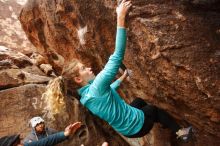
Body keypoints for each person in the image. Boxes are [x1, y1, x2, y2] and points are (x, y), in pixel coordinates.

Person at [42, 0, 192, 142]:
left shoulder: (85, 97)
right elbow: (118, 55)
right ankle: (181, 133)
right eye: (83, 69)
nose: (88, 68)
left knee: (138, 102)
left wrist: (122, 78)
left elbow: (108, 91)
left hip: (126, 131)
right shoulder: (97, 86)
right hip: (138, 127)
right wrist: (121, 17)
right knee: (153, 110)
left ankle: (161, 122)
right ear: (78, 79)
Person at [0, 122, 82, 146]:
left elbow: (47, 141)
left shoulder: (49, 130)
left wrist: (65, 133)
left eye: (19, 142)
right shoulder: (30, 138)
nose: (41, 126)